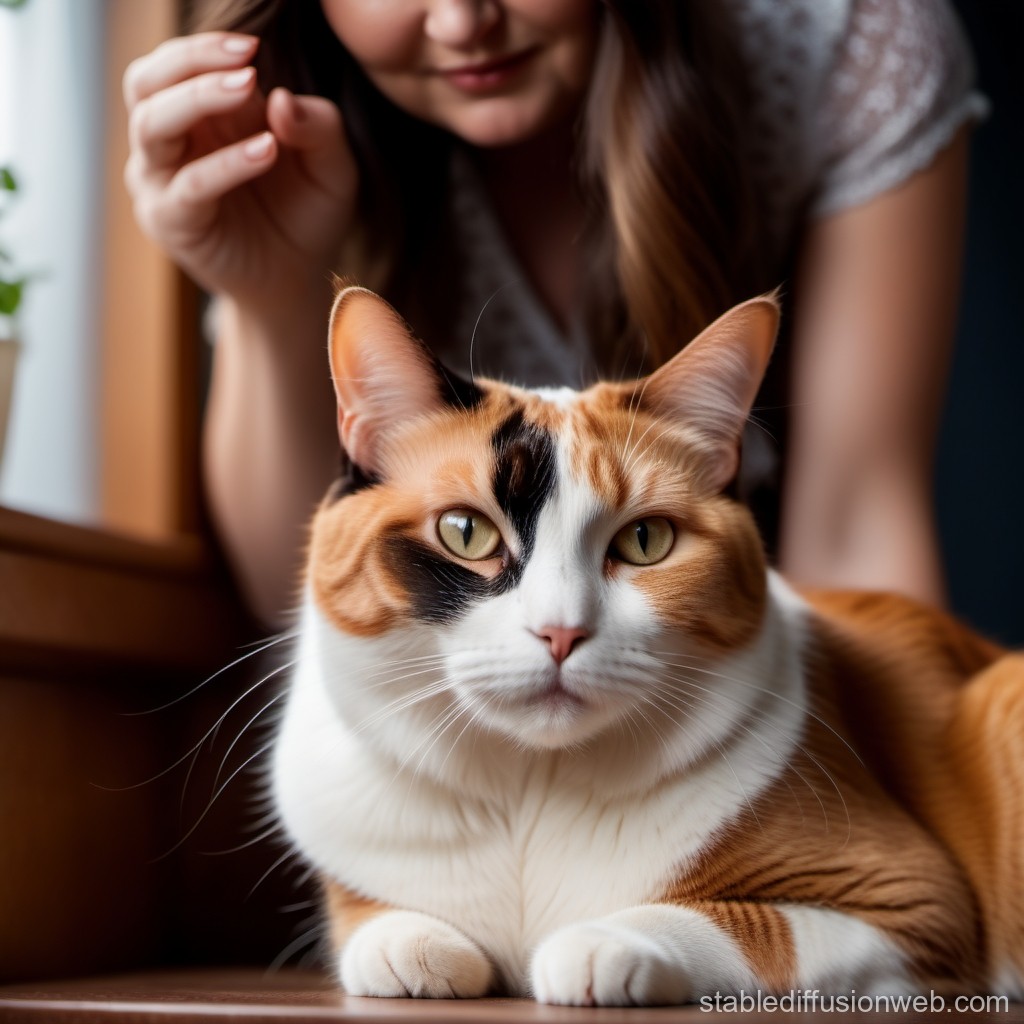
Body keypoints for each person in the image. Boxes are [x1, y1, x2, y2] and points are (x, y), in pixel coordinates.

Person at [122, 0, 985, 628]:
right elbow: (310, 598)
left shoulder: (839, 42)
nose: (462, 22)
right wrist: (269, 299)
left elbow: (858, 526)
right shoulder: (285, 119)